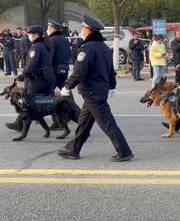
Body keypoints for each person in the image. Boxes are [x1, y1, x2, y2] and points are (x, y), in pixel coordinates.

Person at [57, 15, 133, 162]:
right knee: (84, 123)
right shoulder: (104, 47)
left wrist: (67, 87)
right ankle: (74, 149)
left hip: (92, 92)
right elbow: (110, 70)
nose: (81, 30)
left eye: (82, 28)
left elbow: (79, 71)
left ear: (89, 30)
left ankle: (124, 152)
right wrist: (112, 86)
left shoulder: (88, 48)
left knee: (107, 123)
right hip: (97, 91)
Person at [15, 26, 55, 95]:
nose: (29, 36)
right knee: (47, 102)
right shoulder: (45, 45)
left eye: (30, 34)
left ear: (36, 35)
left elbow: (31, 65)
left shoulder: (36, 47)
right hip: (47, 78)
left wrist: (22, 75)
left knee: (30, 102)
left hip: (37, 80)